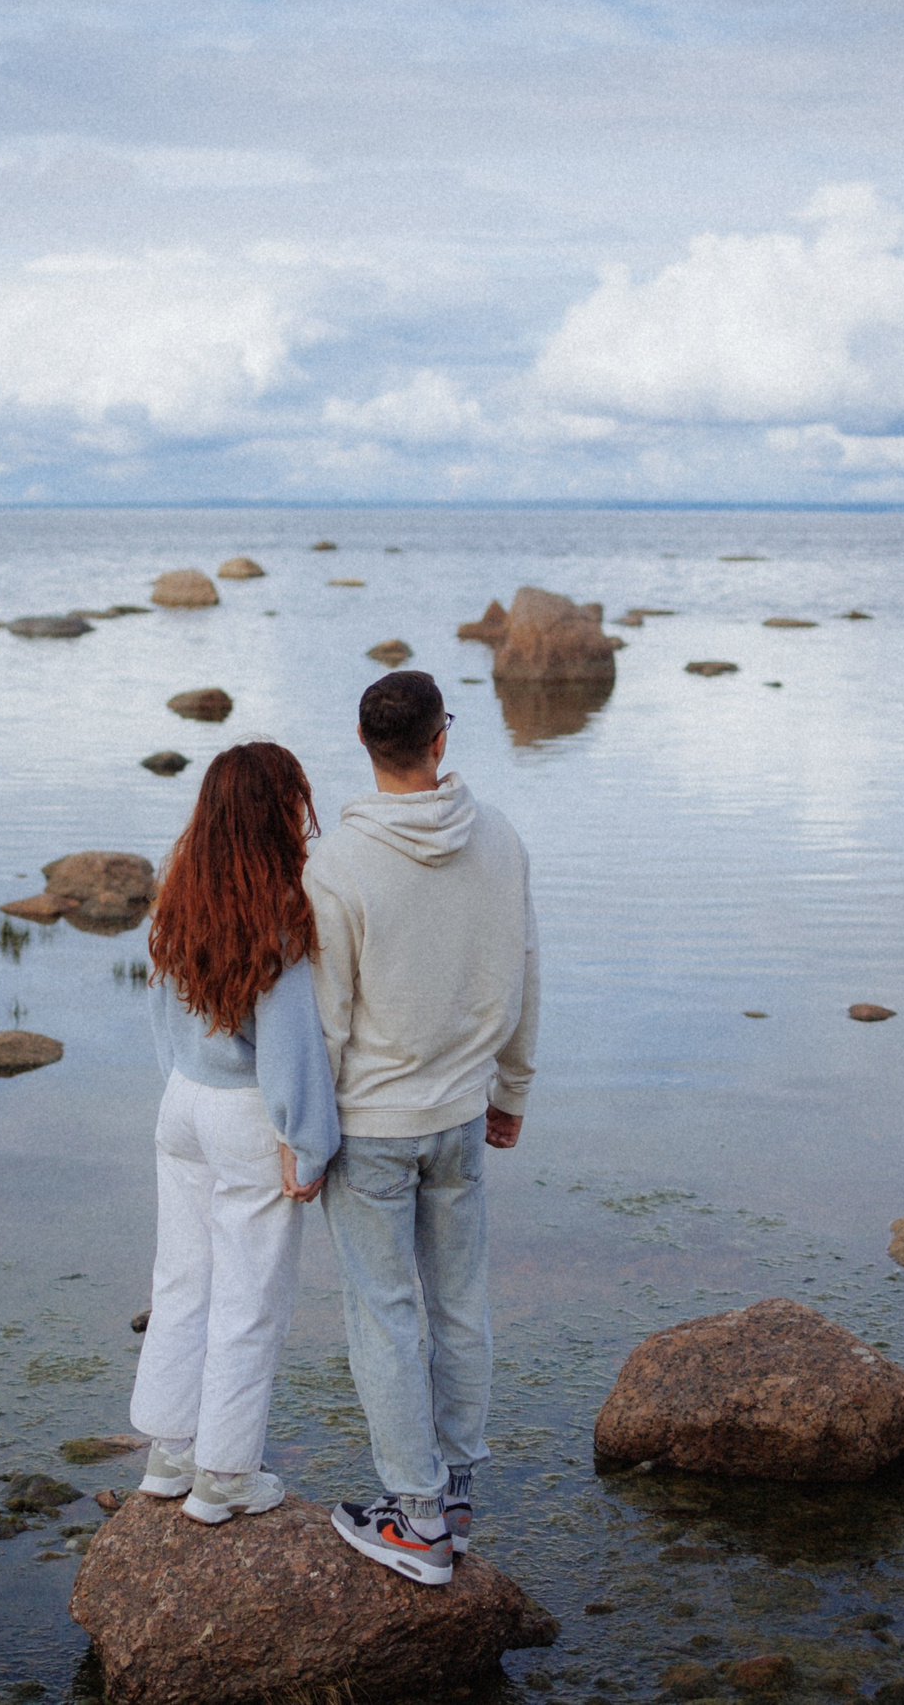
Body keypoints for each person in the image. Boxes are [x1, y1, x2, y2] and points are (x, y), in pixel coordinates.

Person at [307, 670, 538, 1586]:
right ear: (442, 739)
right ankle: (459, 1497)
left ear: (365, 745)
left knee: (385, 1314)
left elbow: (326, 1020)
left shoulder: (335, 865)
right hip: (460, 1116)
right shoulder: (501, 839)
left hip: (370, 1124)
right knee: (459, 1302)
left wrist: (304, 1139)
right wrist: (512, 1089)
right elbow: (524, 973)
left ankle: (416, 1516)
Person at [128, 740, 343, 1525]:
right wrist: (308, 1142)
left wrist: (182, 1080)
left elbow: (160, 1009)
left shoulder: (180, 893)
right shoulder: (279, 909)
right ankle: (223, 1475)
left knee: (182, 1279)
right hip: (247, 1110)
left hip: (182, 1100)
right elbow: (290, 1046)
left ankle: (169, 1453)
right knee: (250, 1297)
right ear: (277, 811)